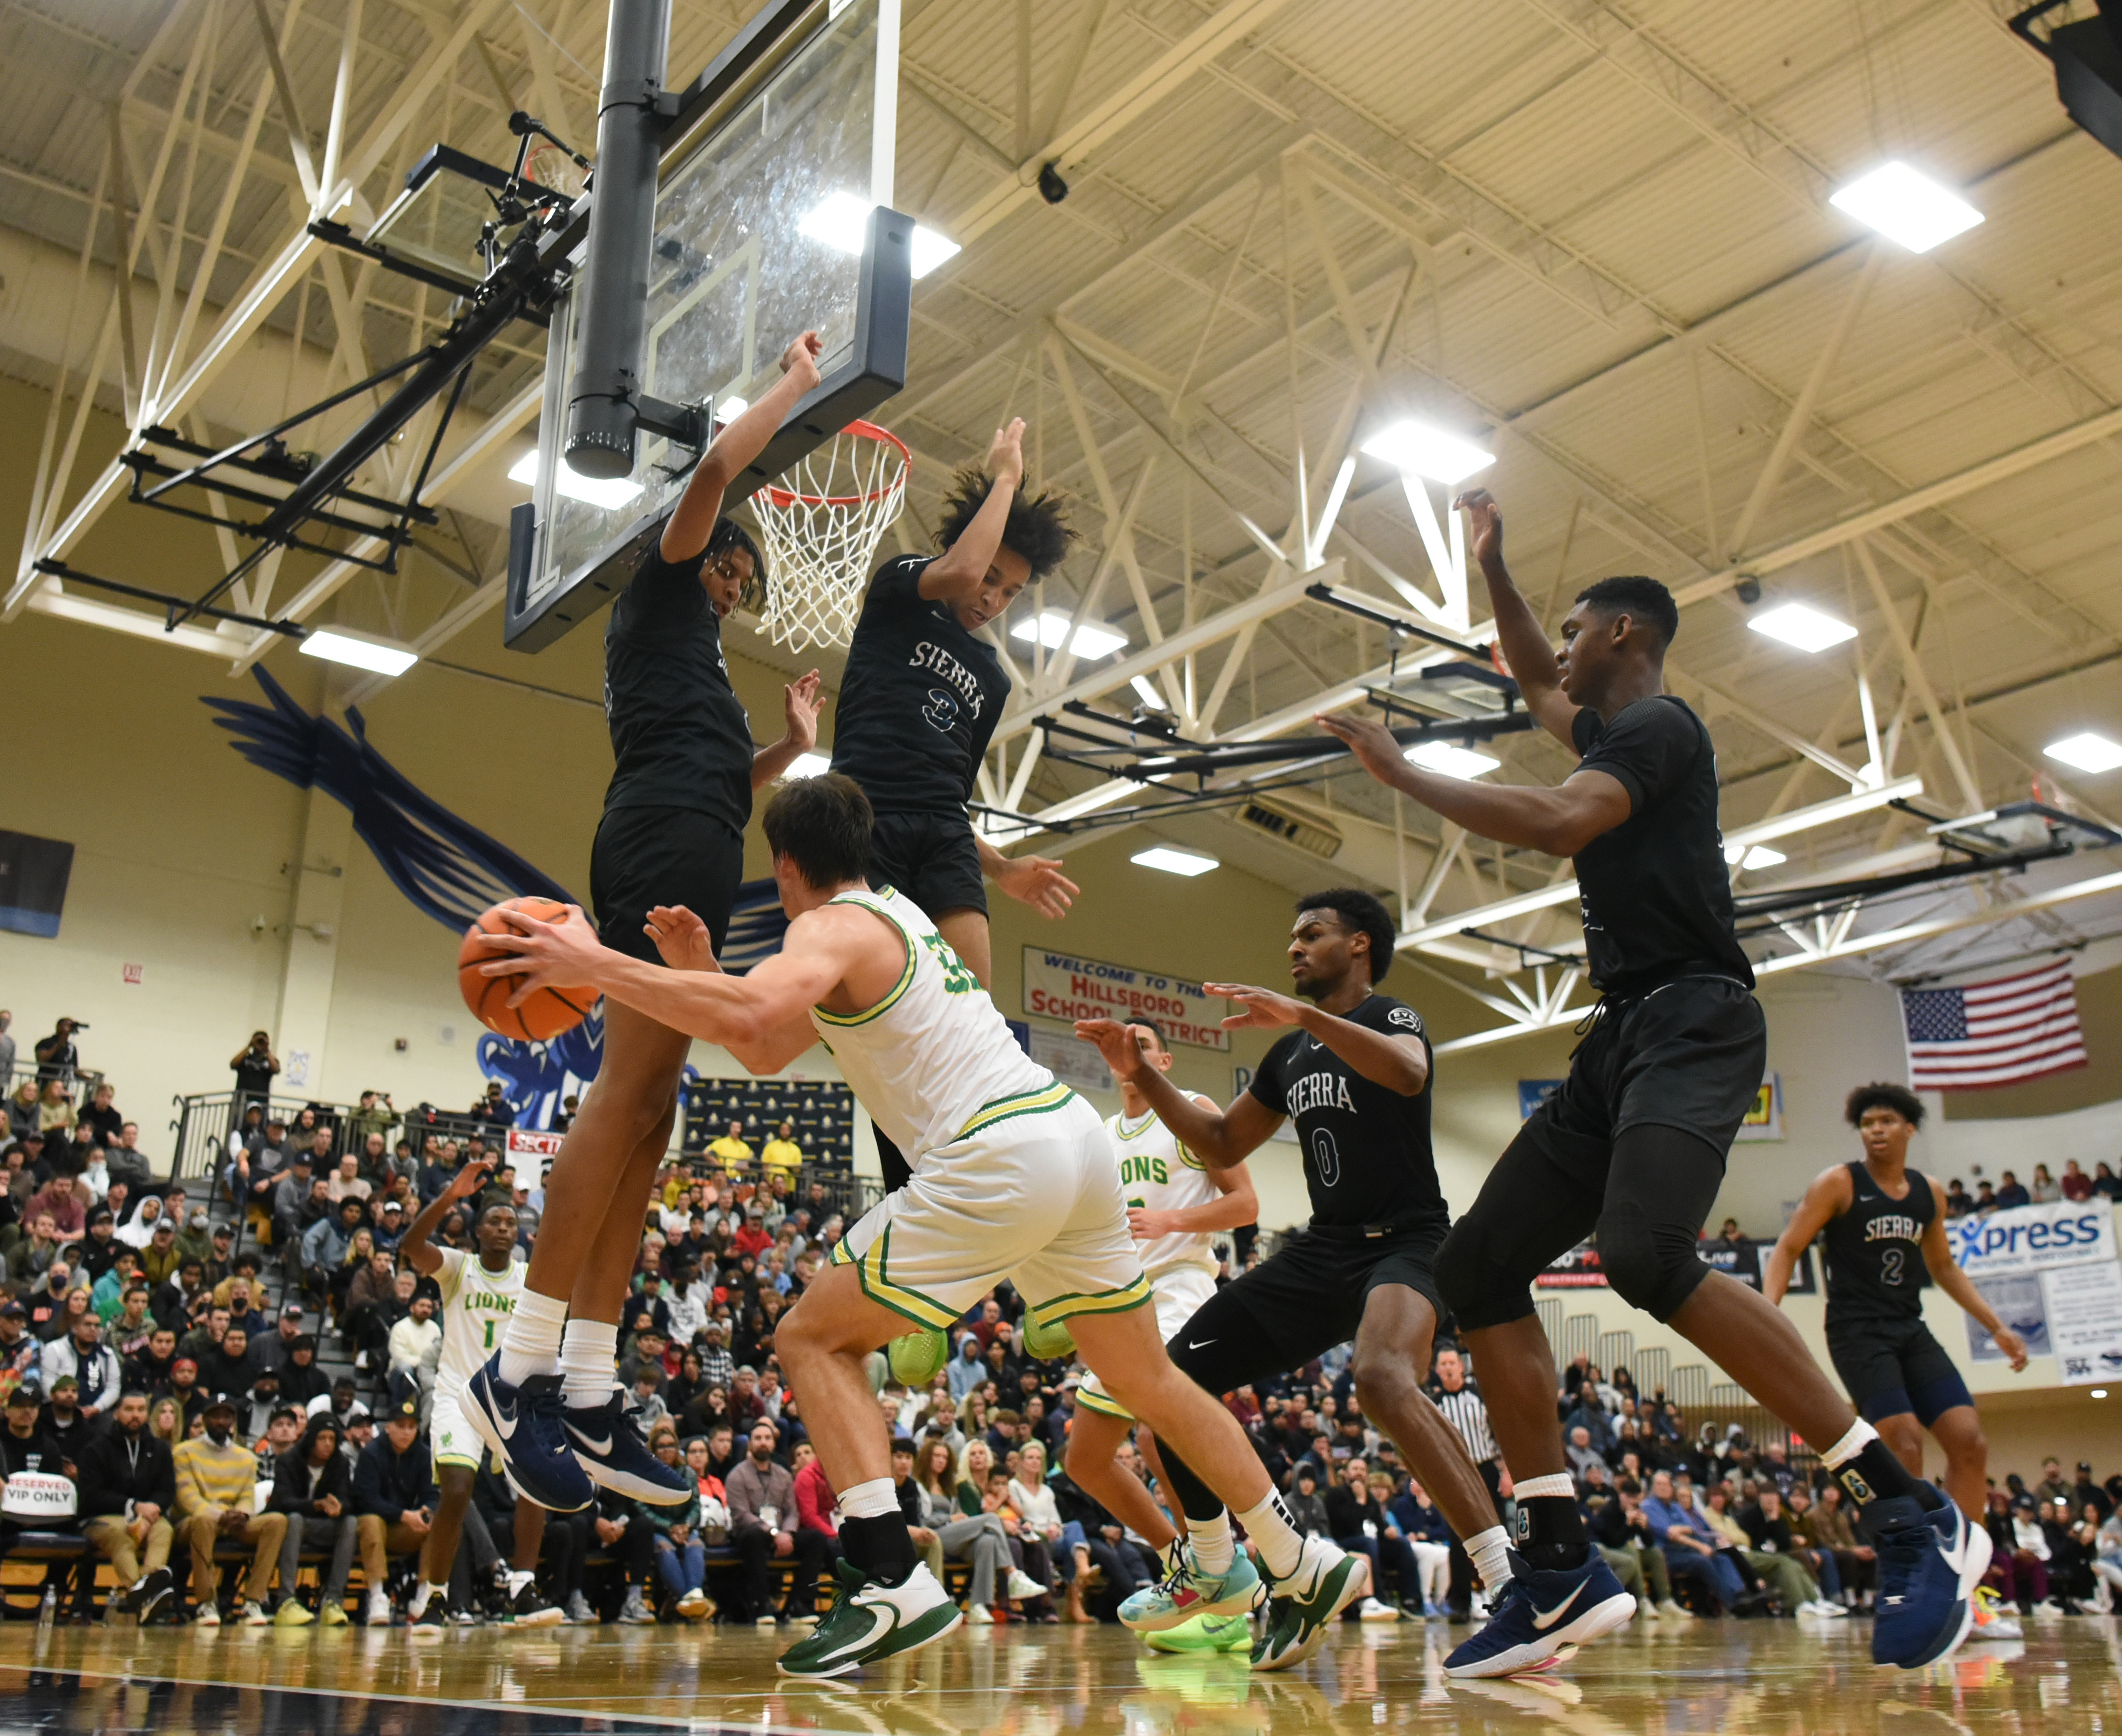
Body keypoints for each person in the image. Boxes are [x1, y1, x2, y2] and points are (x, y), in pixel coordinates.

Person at [479, 772, 1356, 1678]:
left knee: (810, 1338)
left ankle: (893, 1578)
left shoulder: (824, 926)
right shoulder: (897, 911)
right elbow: (766, 1043)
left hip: (996, 1154)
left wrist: (590, 965)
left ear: (784, 865)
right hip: (1070, 1139)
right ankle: (1299, 1558)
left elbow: (753, 1017)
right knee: (1154, 1383)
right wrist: (697, 970)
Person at [1318, 486, 1977, 1675]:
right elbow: (1531, 681)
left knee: (1644, 1257)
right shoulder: (1609, 728)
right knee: (1475, 1266)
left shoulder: (1664, 731)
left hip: (1697, 1021)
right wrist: (1497, 568)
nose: (1558, 653)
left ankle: (1905, 1511)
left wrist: (1402, 772)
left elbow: (1563, 824)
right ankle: (1562, 1561)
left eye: (1577, 629)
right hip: (1621, 1036)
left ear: (1623, 634)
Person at [469, 331, 828, 1516]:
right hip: (661, 838)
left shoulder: (692, 668)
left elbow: (725, 773)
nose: (737, 586)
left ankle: (582, 1379)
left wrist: (788, 749)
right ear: (705, 556)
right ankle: (515, 1367)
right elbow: (717, 473)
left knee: (654, 1114)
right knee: (626, 1098)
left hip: (687, 827)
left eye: (735, 578)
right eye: (735, 571)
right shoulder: (663, 583)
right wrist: (786, 389)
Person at [1074, 887, 1506, 1668]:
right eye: (1291, 938)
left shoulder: (1388, 1018)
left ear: (1360, 946)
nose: (1294, 948)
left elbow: (1408, 1076)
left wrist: (1304, 1015)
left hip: (1405, 1245)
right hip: (1322, 1251)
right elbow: (1217, 1137)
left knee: (1378, 1378)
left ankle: (1507, 1585)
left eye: (1312, 934)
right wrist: (1143, 1073)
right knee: (1170, 1381)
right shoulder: (1288, 1056)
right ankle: (1228, 1567)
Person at [827, 419, 1079, 1194]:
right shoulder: (902, 589)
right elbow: (961, 564)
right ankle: (908, 1192)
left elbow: (950, 798)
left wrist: (1000, 869)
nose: (992, 597)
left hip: (937, 837)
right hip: (863, 821)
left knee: (969, 1022)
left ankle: (966, 1180)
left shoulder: (993, 680)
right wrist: (1004, 476)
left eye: (1009, 591)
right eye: (991, 578)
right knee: (888, 1019)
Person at [1061, 1017, 1258, 1635]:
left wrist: (1172, 1221)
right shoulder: (1099, 1134)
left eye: (1142, 1044)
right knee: (1085, 1459)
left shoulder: (1192, 1111)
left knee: (1155, 1435)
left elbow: (1247, 1203)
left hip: (1181, 1289)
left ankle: (1220, 1573)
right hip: (1122, 1301)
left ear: (1165, 1062)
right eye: (1122, 1046)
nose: (1129, 1052)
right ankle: (1185, 1568)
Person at [1766, 1080, 2026, 1543]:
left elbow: (1943, 1267)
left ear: (1909, 1129)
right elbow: (1788, 1248)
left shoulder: (1929, 1193)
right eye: (1866, 1124)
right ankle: (1916, 1562)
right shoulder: (1839, 1183)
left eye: (1886, 1122)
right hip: (1857, 1332)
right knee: (1903, 1441)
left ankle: (1966, 1572)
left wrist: (1997, 1328)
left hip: (1910, 1328)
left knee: (1969, 1441)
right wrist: (1766, 1315)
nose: (1875, 1131)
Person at [397, 1159, 557, 1626]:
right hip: (458, 1396)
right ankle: (435, 1596)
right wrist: (450, 1195)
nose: (505, 1228)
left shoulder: (530, 1276)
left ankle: (523, 1590)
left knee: (536, 1485)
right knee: (456, 1492)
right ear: (478, 1230)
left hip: (510, 1398)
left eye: (511, 1223)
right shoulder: (456, 1267)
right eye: (495, 1221)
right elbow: (410, 1246)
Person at [173, 1393, 287, 1625]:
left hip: (234, 1520)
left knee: (277, 1521)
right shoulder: (184, 1452)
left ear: (233, 1422)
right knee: (201, 1522)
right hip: (197, 1521)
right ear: (205, 1420)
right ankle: (206, 1603)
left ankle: (253, 1601)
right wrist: (220, 1515)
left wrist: (243, 1514)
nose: (221, 1422)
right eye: (215, 1416)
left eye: (226, 1417)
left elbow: (247, 1496)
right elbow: (188, 1499)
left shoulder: (247, 1458)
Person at [78, 1389, 178, 1620]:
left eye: (141, 1410)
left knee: (164, 1529)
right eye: (129, 1409)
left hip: (148, 1516)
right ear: (116, 1414)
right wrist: (134, 1507)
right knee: (122, 1533)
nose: (136, 1415)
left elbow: (167, 1489)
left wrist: (151, 1511)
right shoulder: (96, 1449)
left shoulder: (160, 1449)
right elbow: (92, 1495)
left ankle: (144, 1593)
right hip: (100, 1518)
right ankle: (145, 1592)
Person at [352, 1396, 439, 1626]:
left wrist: (426, 1511)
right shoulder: (371, 1454)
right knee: (371, 1520)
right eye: (401, 1426)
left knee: (436, 1521)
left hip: (404, 1529)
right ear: (387, 1427)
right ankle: (378, 1595)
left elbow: (432, 1493)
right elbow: (366, 1499)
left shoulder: (423, 1454)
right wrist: (403, 1515)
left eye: (412, 1427)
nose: (407, 1432)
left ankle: (424, 1594)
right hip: (374, 1529)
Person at [268, 1415, 358, 1625]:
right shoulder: (288, 1461)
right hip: (293, 1527)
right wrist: (315, 1505)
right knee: (295, 1520)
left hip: (323, 1526)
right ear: (311, 1439)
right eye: (322, 1438)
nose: (327, 1444)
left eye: (332, 1439)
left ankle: (333, 1600)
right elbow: (282, 1502)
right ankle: (286, 1600)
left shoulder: (340, 1463)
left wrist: (339, 1507)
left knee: (351, 1523)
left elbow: (349, 1500)